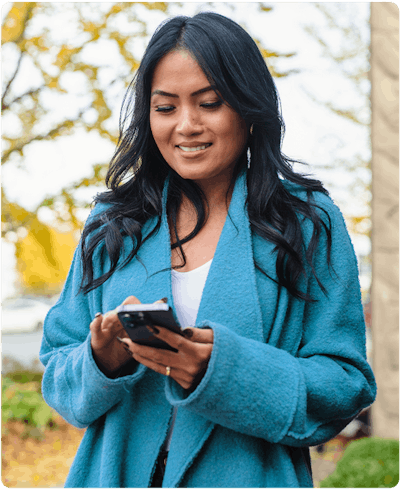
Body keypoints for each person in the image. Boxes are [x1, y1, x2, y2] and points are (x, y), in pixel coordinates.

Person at [40, 11, 377, 489]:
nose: (187, 126)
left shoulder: (306, 222)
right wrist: (100, 359)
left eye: (210, 103)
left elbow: (344, 386)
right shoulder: (112, 222)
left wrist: (224, 372)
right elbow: (58, 372)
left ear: (248, 106)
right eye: (165, 107)